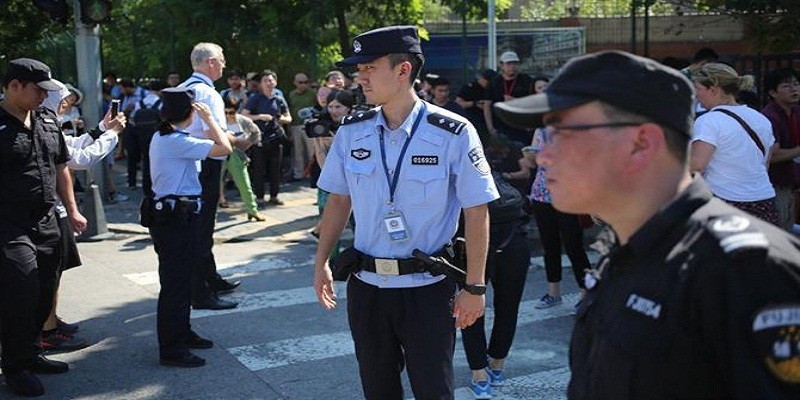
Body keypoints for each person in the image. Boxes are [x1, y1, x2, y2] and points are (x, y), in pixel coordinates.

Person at [494, 49, 800, 399]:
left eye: (562, 133)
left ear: (641, 144)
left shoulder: (749, 270)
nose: (543, 155)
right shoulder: (626, 250)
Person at [313, 25, 499, 400]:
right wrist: (321, 262)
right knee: (378, 390)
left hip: (427, 290)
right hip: (368, 288)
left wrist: (474, 287)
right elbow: (338, 200)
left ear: (403, 70)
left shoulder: (452, 131)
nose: (360, 76)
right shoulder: (353, 130)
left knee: (433, 390)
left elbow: (476, 210)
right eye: (358, 68)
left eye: (369, 67)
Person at [0, 58, 88, 397]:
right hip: (9, 226)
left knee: (44, 291)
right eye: (38, 90)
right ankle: (15, 367)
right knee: (20, 291)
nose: (44, 97)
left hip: (47, 220)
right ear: (14, 86)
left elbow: (61, 167)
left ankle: (30, 351)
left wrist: (73, 209)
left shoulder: (48, 120)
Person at [147, 87, 233, 368]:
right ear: (189, 113)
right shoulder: (175, 140)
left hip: (175, 217)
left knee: (180, 282)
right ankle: (171, 348)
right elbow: (224, 148)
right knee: (174, 285)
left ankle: (182, 333)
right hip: (175, 220)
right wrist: (209, 120)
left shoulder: (168, 136)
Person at [39, 82, 126, 353]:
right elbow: (79, 158)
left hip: (53, 209)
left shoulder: (44, 124)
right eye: (63, 101)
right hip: (47, 210)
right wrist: (110, 135)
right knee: (49, 273)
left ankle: (49, 321)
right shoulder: (41, 125)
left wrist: (101, 129)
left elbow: (72, 147)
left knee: (54, 271)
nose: (66, 106)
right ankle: (46, 328)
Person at [179, 42, 240, 311]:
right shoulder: (209, 94)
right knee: (202, 229)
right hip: (205, 165)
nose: (224, 65)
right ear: (211, 62)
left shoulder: (182, 88)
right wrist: (240, 140)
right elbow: (215, 135)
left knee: (199, 227)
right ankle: (201, 293)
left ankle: (209, 278)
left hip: (184, 164)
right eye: (222, 60)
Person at [690, 63, 780, 225]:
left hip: (726, 201)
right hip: (765, 200)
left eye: (698, 88)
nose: (696, 95)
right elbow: (764, 162)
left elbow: (697, 165)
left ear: (713, 90)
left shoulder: (709, 120)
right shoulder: (760, 118)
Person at [242, 69, 292, 207]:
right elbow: (244, 115)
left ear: (275, 82)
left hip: (275, 138)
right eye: (265, 81)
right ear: (260, 84)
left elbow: (289, 117)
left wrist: (280, 118)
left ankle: (274, 196)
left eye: (271, 80)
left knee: (275, 168)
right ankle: (259, 197)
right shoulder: (255, 98)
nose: (269, 83)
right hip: (259, 138)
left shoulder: (279, 99)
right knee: (259, 168)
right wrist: (259, 117)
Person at [761, 68, 800, 231]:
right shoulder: (769, 116)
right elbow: (772, 156)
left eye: (796, 84)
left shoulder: (796, 111)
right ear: (773, 92)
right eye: (786, 85)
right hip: (775, 184)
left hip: (791, 183)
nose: (794, 89)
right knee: (780, 231)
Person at [221, 99, 264, 221]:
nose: (229, 115)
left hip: (236, 153)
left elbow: (256, 132)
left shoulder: (244, 121)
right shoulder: (218, 120)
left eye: (232, 112)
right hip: (220, 152)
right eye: (226, 112)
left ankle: (252, 211)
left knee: (244, 184)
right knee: (215, 184)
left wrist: (248, 143)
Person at [484, 51, 535, 144]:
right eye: (509, 63)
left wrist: (516, 101)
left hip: (521, 126)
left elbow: (534, 102)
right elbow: (487, 105)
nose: (512, 66)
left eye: (515, 63)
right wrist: (490, 127)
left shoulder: (526, 80)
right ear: (501, 65)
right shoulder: (494, 82)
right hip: (500, 126)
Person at [288, 72, 318, 181]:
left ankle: (312, 173)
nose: (303, 84)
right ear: (295, 83)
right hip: (295, 125)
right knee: (298, 152)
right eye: (300, 82)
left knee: (312, 151)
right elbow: (289, 111)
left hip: (310, 125)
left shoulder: (313, 93)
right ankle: (298, 174)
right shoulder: (291, 95)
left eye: (306, 82)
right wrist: (289, 130)